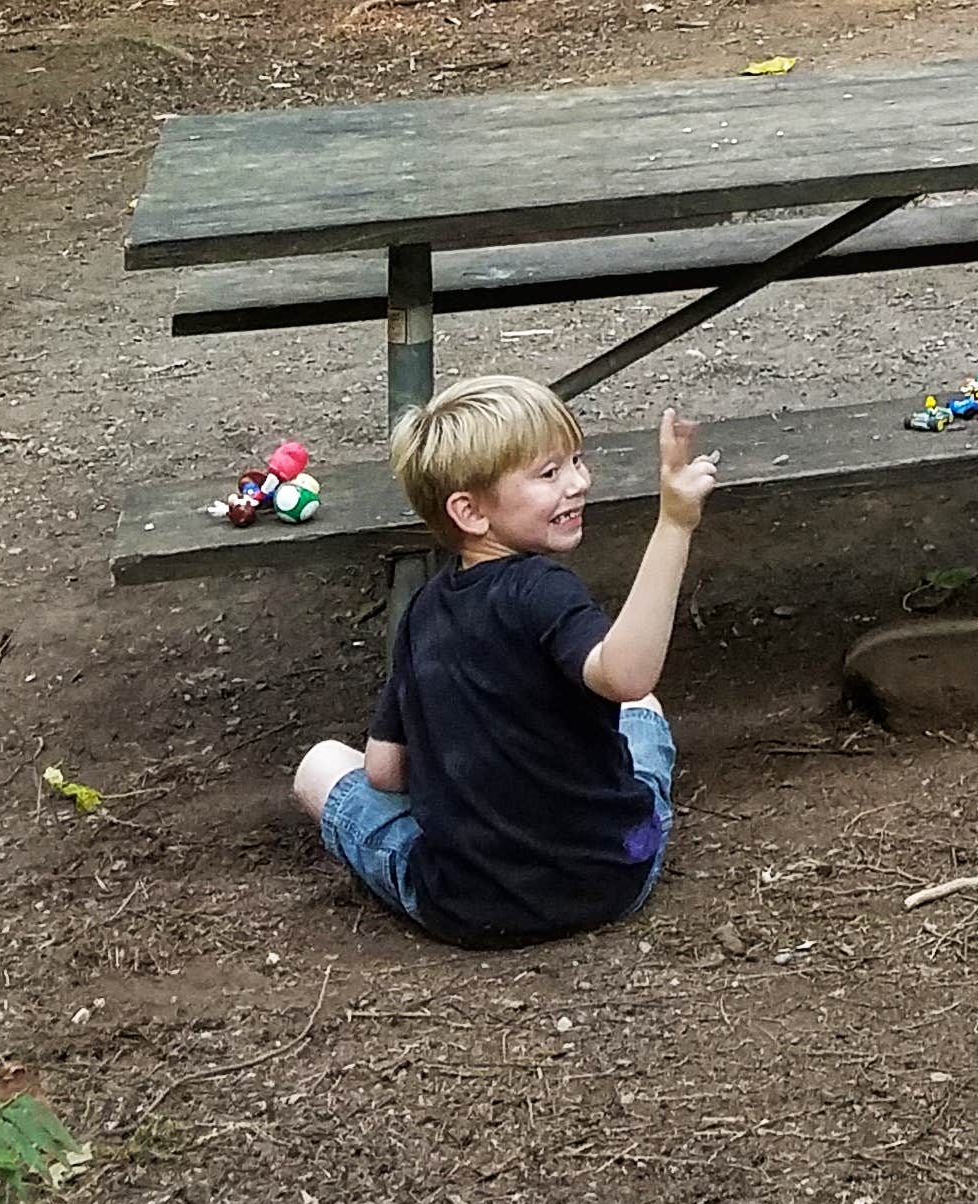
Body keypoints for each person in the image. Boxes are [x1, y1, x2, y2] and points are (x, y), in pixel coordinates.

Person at [292, 374, 716, 947]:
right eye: (550, 473)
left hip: (466, 907)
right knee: (639, 704)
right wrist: (674, 524)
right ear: (469, 511)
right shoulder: (543, 588)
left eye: (576, 460)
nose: (579, 482)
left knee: (319, 764)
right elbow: (628, 676)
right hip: (613, 877)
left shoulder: (420, 613)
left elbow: (384, 773)